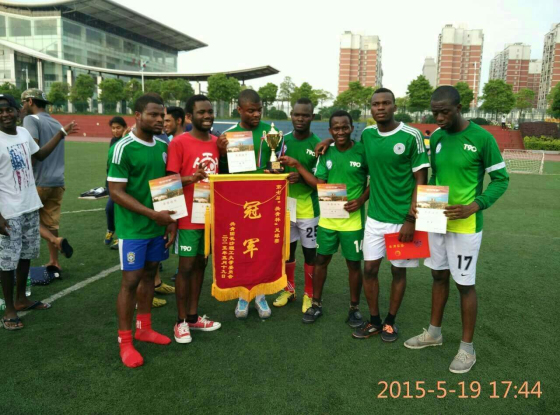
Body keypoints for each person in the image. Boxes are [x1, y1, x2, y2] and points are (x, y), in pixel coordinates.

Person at [404, 86, 509, 374]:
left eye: (444, 112)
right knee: (438, 276)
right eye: (434, 112)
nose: (438, 118)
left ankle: (467, 348)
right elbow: (436, 177)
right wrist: (423, 201)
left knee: (465, 284)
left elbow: (501, 179)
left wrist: (475, 206)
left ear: (459, 108)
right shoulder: (437, 137)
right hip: (436, 222)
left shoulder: (482, 138)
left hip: (466, 226)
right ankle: (434, 333)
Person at [351, 88, 429, 342]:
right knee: (369, 269)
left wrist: (411, 219)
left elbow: (421, 179)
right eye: (376, 104)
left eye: (386, 103)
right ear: (371, 108)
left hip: (402, 220)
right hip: (375, 218)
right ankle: (374, 321)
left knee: (398, 271)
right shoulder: (367, 134)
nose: (381, 107)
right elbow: (367, 169)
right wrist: (328, 143)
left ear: (395, 107)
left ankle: (390, 322)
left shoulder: (411, 135)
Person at [281, 110, 369, 326]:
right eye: (336, 128)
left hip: (353, 221)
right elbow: (320, 184)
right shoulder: (326, 153)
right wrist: (298, 166)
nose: (341, 132)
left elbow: (375, 179)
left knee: (353, 264)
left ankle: (354, 308)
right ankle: (316, 304)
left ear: (352, 128)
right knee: (321, 260)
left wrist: (361, 200)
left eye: (345, 127)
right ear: (330, 130)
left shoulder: (362, 151)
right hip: (328, 219)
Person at [107, 94, 177, 368]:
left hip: (156, 226)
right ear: (137, 115)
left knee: (150, 275)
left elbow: (166, 182)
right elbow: (116, 192)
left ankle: (144, 328)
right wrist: (152, 214)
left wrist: (170, 219)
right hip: (133, 228)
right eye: (153, 115)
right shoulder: (123, 148)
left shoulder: (163, 145)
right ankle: (125, 342)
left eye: (162, 115)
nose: (160, 120)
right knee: (131, 281)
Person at [0, 93, 77, 329]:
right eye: (0, 111)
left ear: (18, 111)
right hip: (8, 211)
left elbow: (40, 155)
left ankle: (21, 299)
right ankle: (10, 309)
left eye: (9, 109)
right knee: (7, 262)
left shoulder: (24, 133)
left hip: (29, 205)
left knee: (26, 255)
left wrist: (61, 134)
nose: (5, 114)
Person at [166, 94, 227, 343]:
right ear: (190, 116)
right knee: (186, 268)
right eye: (202, 112)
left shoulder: (217, 142)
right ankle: (180, 321)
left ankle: (193, 316)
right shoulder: (178, 142)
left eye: (210, 111)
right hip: (188, 217)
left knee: (201, 265)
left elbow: (224, 177)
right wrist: (191, 178)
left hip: (209, 216)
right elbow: (168, 181)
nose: (207, 116)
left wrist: (224, 154)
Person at [221, 89, 275, 319]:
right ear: (239, 110)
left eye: (259, 110)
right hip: (239, 203)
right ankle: (243, 296)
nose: (256, 114)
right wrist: (222, 153)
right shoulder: (228, 136)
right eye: (251, 110)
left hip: (265, 200)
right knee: (242, 247)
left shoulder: (271, 132)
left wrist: (275, 170)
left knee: (263, 248)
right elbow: (223, 172)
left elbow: (276, 163)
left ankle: (260, 295)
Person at [272, 98, 320, 313]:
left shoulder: (317, 145)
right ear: (291, 115)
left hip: (308, 208)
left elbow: (320, 182)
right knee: (287, 252)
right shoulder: (281, 141)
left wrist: (300, 176)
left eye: (305, 115)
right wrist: (278, 172)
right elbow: (274, 167)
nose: (300, 119)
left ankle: (309, 294)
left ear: (312, 117)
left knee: (310, 254)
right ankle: (289, 290)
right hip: (286, 206)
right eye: (297, 115)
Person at [21, 89, 72, 273]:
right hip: (57, 181)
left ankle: (55, 240)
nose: (22, 107)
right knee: (51, 223)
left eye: (23, 103)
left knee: (25, 219)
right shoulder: (56, 122)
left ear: (30, 101)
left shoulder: (30, 120)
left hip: (38, 180)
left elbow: (32, 150)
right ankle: (54, 261)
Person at [105, 116, 129, 247]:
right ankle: (110, 229)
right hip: (113, 181)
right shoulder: (113, 141)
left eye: (118, 128)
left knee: (119, 211)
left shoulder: (129, 140)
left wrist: (125, 137)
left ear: (125, 128)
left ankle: (121, 237)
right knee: (109, 209)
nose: (115, 131)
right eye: (113, 128)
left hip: (124, 183)